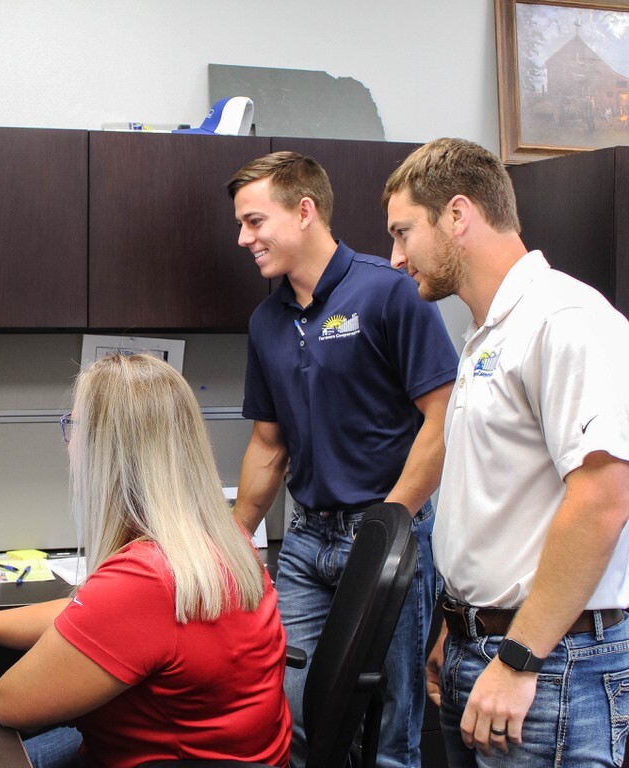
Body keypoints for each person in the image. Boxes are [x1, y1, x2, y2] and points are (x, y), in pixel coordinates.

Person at [0, 353, 292, 768]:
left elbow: (10, 704)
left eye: (73, 427)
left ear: (106, 448)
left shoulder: (145, 579)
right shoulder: (222, 539)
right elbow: (92, 619)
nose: (69, 443)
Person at [382, 137, 629, 766]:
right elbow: (498, 502)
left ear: (458, 215)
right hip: (481, 649)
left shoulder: (565, 319)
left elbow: (604, 499)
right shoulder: (486, 335)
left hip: (549, 670)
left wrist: (517, 657)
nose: (395, 256)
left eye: (405, 232)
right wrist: (458, 623)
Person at [227, 151, 458, 768]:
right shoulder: (266, 320)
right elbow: (269, 445)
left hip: (387, 535)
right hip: (306, 541)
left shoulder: (388, 292)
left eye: (254, 221)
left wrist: (390, 526)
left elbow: (444, 416)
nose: (243, 238)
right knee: (293, 721)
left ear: (304, 211)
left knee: (390, 732)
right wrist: (231, 540)